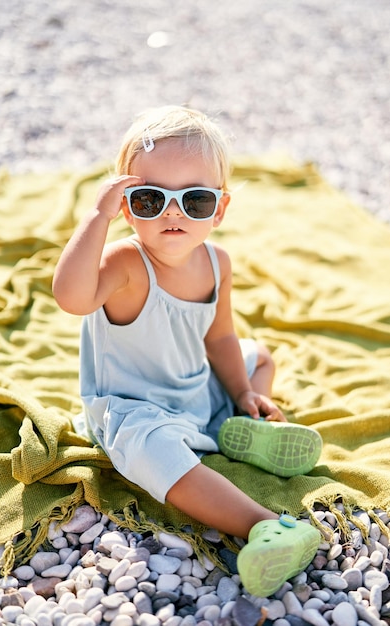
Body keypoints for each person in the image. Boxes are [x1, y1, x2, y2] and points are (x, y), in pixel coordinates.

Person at [52, 105, 322, 597]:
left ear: (219, 209)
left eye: (194, 200)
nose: (172, 213)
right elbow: (71, 298)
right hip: (135, 410)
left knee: (259, 357)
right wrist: (95, 217)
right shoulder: (124, 263)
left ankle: (242, 423)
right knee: (154, 452)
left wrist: (241, 389)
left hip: (196, 388)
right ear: (126, 206)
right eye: (150, 199)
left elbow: (219, 338)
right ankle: (266, 525)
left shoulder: (217, 262)